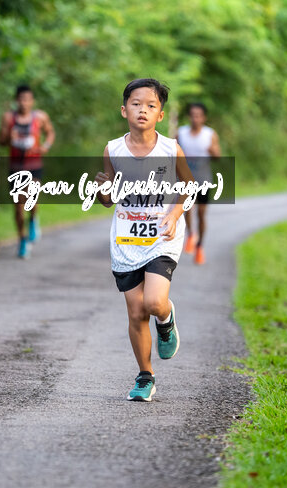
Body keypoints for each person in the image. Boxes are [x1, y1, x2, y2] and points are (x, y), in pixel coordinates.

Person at [94, 78, 195, 402]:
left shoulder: (170, 149)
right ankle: (145, 376)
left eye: (151, 105)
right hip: (126, 237)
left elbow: (189, 186)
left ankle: (166, 319)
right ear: (124, 110)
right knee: (136, 311)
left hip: (162, 234)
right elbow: (108, 200)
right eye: (136, 104)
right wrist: (102, 190)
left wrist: (175, 214)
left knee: (153, 302)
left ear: (160, 115)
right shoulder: (113, 149)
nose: (143, 110)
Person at [0, 84, 55, 258]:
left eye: (27, 100)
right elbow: (1, 141)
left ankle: (33, 219)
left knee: (32, 199)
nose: (24, 103)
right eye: (21, 99)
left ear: (32, 101)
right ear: (16, 101)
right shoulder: (8, 118)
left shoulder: (40, 117)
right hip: (16, 168)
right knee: (18, 207)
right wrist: (9, 137)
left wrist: (46, 146)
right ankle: (22, 240)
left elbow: (50, 132)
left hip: (34, 166)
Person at [176, 102, 221, 265]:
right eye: (193, 115)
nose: (195, 119)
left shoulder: (210, 135)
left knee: (201, 214)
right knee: (187, 208)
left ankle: (200, 246)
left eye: (198, 116)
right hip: (186, 180)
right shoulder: (181, 133)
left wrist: (213, 152)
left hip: (204, 181)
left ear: (203, 118)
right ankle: (191, 235)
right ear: (189, 117)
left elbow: (218, 157)